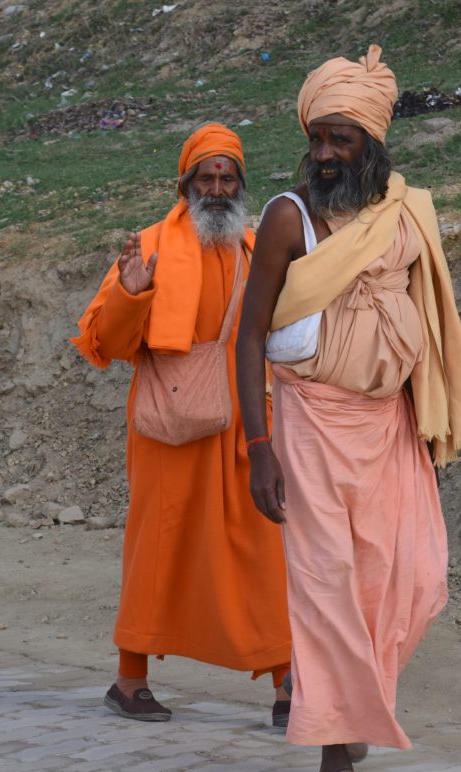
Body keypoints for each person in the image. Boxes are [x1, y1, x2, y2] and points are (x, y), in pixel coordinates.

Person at [236, 47, 461, 772]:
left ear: (371, 144)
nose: (323, 153)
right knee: (330, 591)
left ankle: (350, 716)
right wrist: (259, 448)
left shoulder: (405, 213)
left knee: (411, 581)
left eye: (340, 138)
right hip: (311, 425)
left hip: (391, 427)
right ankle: (334, 764)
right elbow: (248, 337)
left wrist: (430, 423)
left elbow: (429, 326)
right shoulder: (290, 216)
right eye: (316, 137)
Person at [72, 123, 292, 725]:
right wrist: (132, 294)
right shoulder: (149, 246)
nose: (217, 188)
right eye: (206, 177)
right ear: (185, 184)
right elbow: (103, 343)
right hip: (170, 428)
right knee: (158, 549)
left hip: (247, 425)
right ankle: (129, 680)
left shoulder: (257, 248)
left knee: (264, 548)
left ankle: (287, 683)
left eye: (227, 178)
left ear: (241, 185)